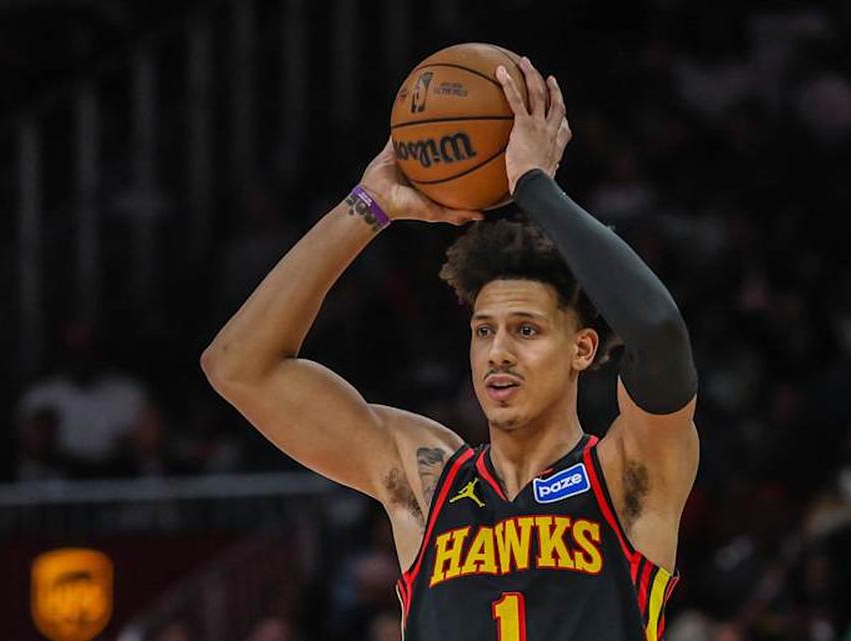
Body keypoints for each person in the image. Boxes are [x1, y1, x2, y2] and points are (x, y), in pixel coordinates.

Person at [201, 56, 699, 641]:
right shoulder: (428, 478)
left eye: (526, 330)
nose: (498, 352)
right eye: (484, 330)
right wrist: (367, 206)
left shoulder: (626, 473)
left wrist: (533, 186)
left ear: (583, 349)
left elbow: (659, 333)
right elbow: (237, 365)